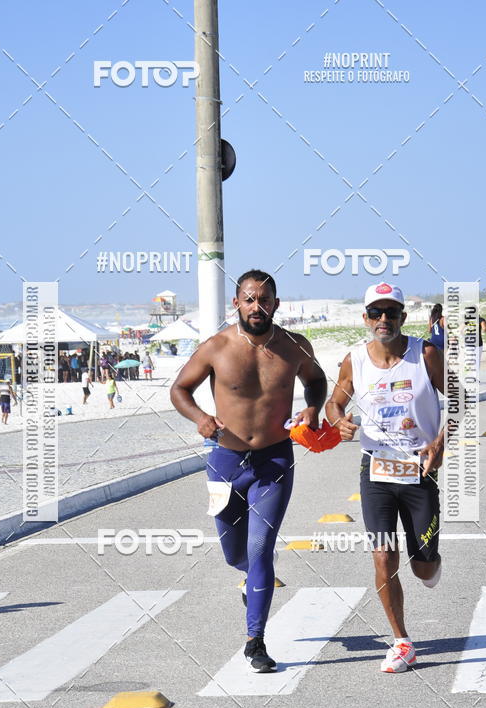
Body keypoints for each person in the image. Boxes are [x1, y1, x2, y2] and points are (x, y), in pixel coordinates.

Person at [170, 269, 327, 673]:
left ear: (276, 304)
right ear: (237, 303)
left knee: (260, 550)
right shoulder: (216, 347)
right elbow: (179, 389)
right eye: (250, 299)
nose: (258, 307)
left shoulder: (294, 346)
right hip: (225, 462)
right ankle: (249, 580)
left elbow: (316, 380)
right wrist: (201, 418)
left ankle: (254, 640)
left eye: (265, 300)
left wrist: (312, 407)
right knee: (235, 554)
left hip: (274, 461)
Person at [326, 283, 444, 674]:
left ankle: (428, 561)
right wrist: (337, 421)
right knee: (382, 554)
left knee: (423, 566)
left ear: (402, 318)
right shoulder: (354, 359)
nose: (383, 320)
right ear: (365, 319)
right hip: (375, 470)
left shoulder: (425, 353)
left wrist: (441, 442)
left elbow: (461, 398)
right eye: (375, 313)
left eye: (390, 313)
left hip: (419, 468)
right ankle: (401, 641)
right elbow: (334, 402)